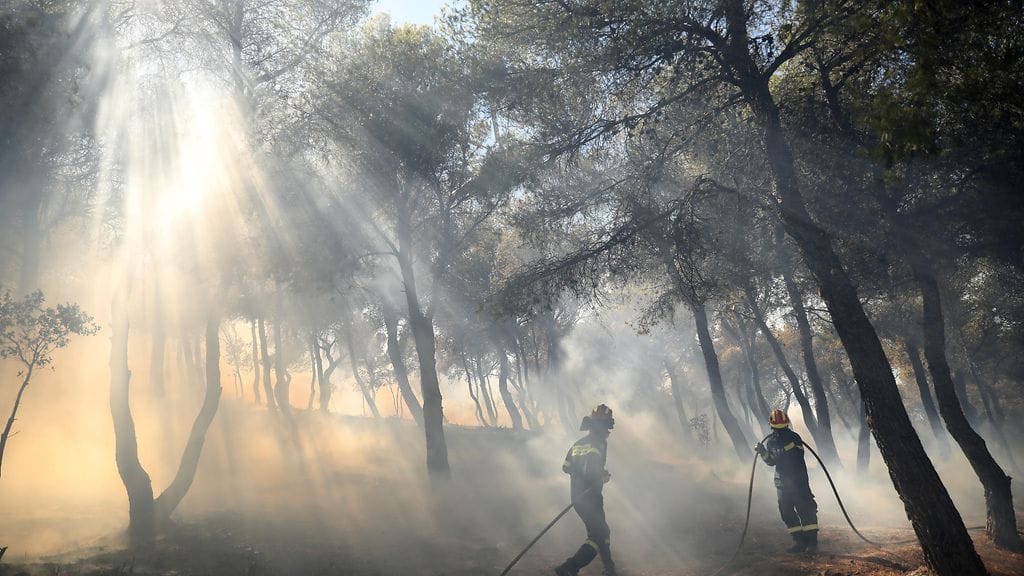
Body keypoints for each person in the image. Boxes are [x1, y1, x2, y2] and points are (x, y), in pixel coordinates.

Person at [555, 404, 617, 576]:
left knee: (601, 532)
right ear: (603, 427)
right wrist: (600, 476)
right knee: (599, 535)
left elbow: (566, 467)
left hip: (577, 497)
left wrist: (591, 474)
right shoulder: (600, 443)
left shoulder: (578, 444)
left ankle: (609, 568)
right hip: (591, 497)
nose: (608, 431)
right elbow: (591, 470)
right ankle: (569, 567)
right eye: (607, 426)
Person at [755, 409, 819, 554]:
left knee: (806, 510)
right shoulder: (770, 442)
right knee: (786, 513)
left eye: (782, 428)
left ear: (787, 425)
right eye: (777, 429)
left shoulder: (795, 438)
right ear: (771, 426)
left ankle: (812, 543)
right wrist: (763, 452)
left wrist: (781, 451)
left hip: (798, 481)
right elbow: (771, 462)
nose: (780, 431)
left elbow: (796, 455)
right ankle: (799, 541)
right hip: (782, 483)